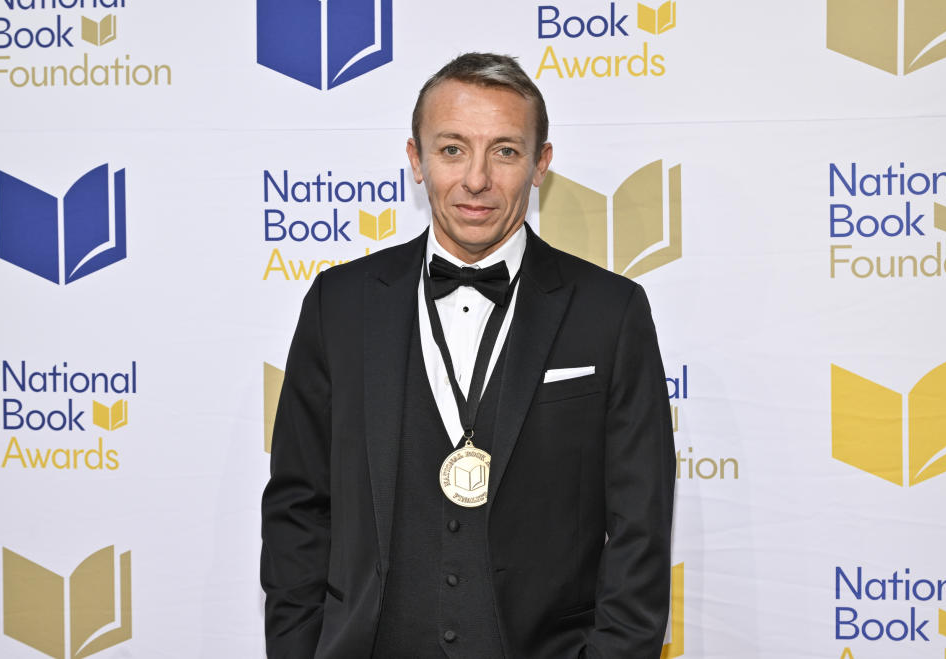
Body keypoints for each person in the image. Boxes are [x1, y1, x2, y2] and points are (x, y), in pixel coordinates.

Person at [261, 52, 675, 659]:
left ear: (541, 164)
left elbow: (640, 526)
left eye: (505, 151)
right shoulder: (339, 304)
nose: (476, 179)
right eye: (452, 149)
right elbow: (299, 506)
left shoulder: (610, 312)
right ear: (416, 159)